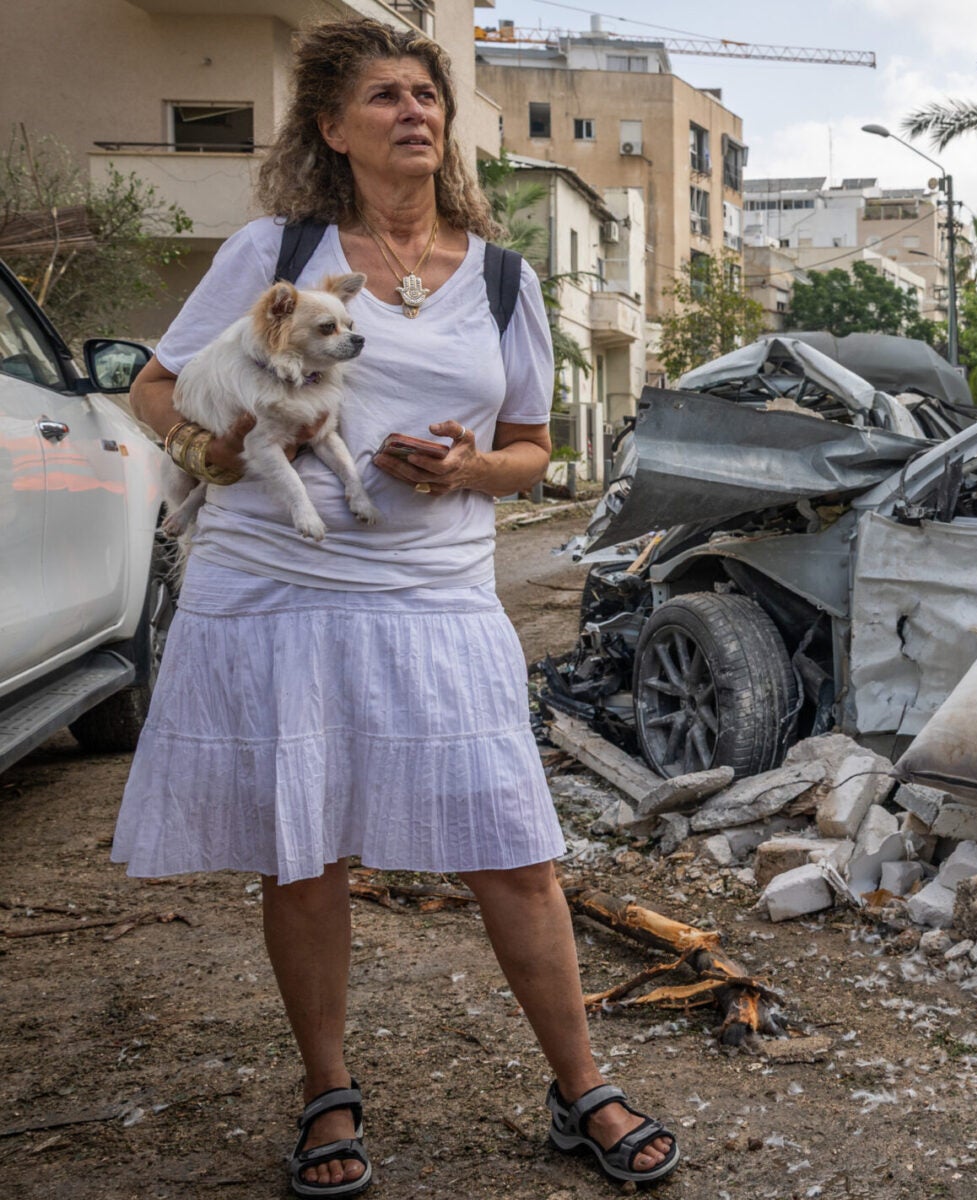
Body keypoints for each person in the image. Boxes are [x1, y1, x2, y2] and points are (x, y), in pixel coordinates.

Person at [113, 19, 679, 1195]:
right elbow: (156, 381)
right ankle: (328, 1092)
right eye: (384, 96)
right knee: (303, 849)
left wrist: (470, 471)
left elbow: (531, 447)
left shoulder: (504, 273)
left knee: (513, 849)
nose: (414, 111)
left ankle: (582, 1086)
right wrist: (201, 447)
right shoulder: (278, 248)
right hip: (277, 584)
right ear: (332, 129)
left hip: (436, 595)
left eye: (428, 94)